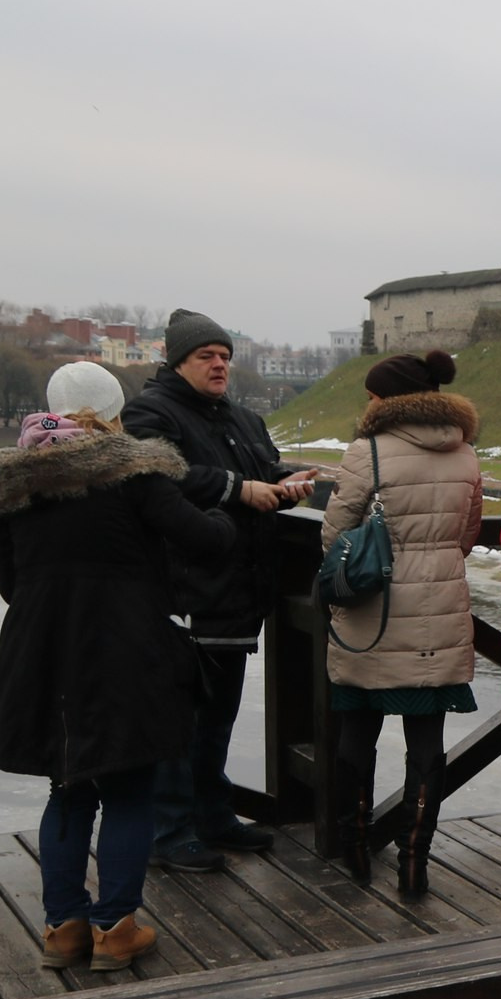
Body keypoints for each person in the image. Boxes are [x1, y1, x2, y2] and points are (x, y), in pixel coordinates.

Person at [0, 362, 234, 970]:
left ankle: (62, 930)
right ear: (116, 408)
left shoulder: (19, 482)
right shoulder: (134, 473)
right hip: (124, 650)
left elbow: (10, 582)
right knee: (127, 788)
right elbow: (205, 541)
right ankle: (115, 930)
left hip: (42, 653)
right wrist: (228, 517)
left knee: (66, 788)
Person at [122, 309, 315, 872]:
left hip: (237, 590)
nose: (219, 365)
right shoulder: (150, 413)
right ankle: (170, 831)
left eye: (225, 357)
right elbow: (159, 478)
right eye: (207, 356)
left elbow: (263, 467)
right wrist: (239, 488)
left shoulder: (243, 419)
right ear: (177, 360)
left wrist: (284, 484)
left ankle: (212, 814)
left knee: (219, 716)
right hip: (182, 593)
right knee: (180, 721)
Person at [316, 351, 486, 897]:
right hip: (438, 613)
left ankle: (357, 847)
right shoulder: (466, 454)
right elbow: (467, 535)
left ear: (386, 401)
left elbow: (335, 538)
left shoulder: (368, 452)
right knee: (426, 742)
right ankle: (415, 859)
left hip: (375, 613)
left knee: (357, 733)